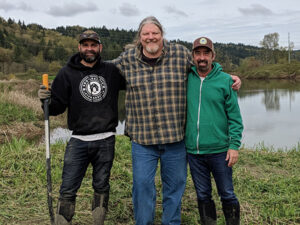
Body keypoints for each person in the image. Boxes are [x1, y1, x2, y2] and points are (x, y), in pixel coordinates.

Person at [112, 16, 242, 225]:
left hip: (175, 140)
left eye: (155, 33)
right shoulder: (126, 60)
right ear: (140, 37)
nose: (151, 37)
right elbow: (99, 72)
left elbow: (205, 68)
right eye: (146, 34)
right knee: (142, 186)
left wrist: (230, 78)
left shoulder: (180, 54)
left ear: (162, 35)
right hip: (143, 141)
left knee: (174, 189)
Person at [38, 30, 126, 225]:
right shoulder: (66, 73)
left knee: (101, 186)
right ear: (79, 47)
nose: (89, 49)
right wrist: (45, 100)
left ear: (100, 47)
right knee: (68, 188)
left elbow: (134, 84)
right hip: (78, 140)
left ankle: (98, 221)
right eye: (85, 45)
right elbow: (56, 108)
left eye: (93, 45)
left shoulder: (111, 71)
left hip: (106, 139)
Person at [185, 37, 243, 225]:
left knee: (227, 193)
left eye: (206, 53)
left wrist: (234, 146)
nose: (202, 58)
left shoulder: (226, 81)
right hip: (194, 152)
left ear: (213, 56)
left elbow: (235, 117)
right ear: (192, 56)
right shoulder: (185, 78)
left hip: (220, 151)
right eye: (198, 53)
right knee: (202, 194)